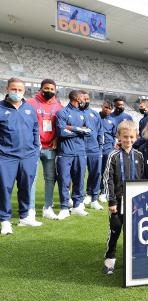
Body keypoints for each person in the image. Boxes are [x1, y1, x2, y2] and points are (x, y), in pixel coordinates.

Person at [0, 78, 42, 235]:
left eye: (20, 90)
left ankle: (24, 216)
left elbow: (35, 128)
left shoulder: (29, 108)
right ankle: (5, 220)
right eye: (14, 89)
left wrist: (35, 149)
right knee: (4, 188)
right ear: (7, 89)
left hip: (28, 156)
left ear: (24, 91)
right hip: (6, 157)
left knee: (26, 186)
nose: (16, 92)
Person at [102, 120, 144, 274]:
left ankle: (132, 258)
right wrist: (112, 201)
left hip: (135, 203)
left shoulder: (139, 155)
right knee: (115, 230)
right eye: (125, 137)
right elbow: (108, 179)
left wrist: (140, 201)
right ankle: (110, 259)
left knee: (133, 231)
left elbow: (143, 179)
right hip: (118, 202)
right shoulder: (113, 156)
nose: (128, 140)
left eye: (131, 137)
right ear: (118, 137)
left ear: (136, 137)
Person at [27, 79, 63, 220]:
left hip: (50, 148)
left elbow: (60, 126)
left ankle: (48, 207)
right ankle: (30, 210)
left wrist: (57, 139)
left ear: (55, 91)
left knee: (50, 178)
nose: (49, 91)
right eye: (46, 88)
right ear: (41, 89)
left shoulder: (59, 106)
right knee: (32, 179)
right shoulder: (30, 103)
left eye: (52, 89)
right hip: (34, 147)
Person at [55, 90, 91, 219]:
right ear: (76, 98)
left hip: (80, 152)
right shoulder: (62, 112)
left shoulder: (82, 114)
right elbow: (61, 132)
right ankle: (64, 208)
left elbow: (89, 131)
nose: (85, 100)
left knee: (79, 180)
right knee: (64, 180)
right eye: (83, 98)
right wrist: (79, 130)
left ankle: (76, 206)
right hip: (65, 152)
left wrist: (71, 128)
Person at [80, 91, 104, 210]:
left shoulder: (95, 114)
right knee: (79, 175)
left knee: (96, 173)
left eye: (88, 98)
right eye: (83, 99)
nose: (86, 101)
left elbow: (100, 131)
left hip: (94, 149)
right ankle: (80, 198)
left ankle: (94, 198)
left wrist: (100, 147)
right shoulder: (75, 113)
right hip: (80, 149)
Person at [99, 100, 116, 203]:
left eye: (110, 108)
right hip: (96, 149)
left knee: (105, 172)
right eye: (106, 107)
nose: (107, 110)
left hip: (108, 149)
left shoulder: (113, 121)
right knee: (95, 172)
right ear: (102, 106)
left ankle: (103, 192)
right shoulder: (96, 117)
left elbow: (114, 135)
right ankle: (91, 193)